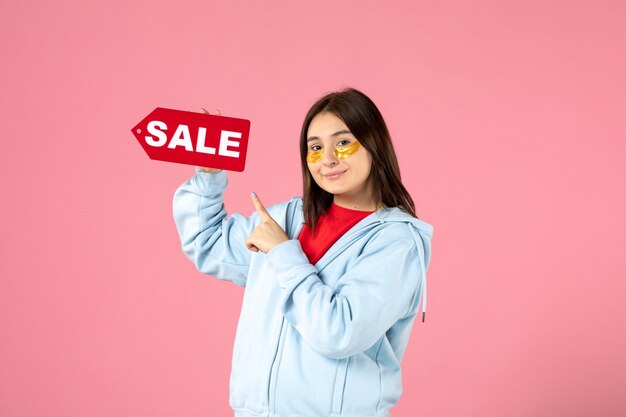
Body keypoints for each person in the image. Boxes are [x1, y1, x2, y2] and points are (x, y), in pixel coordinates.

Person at [172, 87, 433, 417]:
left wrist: (282, 251)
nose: (327, 159)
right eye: (315, 147)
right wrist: (208, 173)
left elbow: (340, 332)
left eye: (342, 142)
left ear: (374, 145)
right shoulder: (286, 218)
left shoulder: (396, 243)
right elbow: (206, 242)